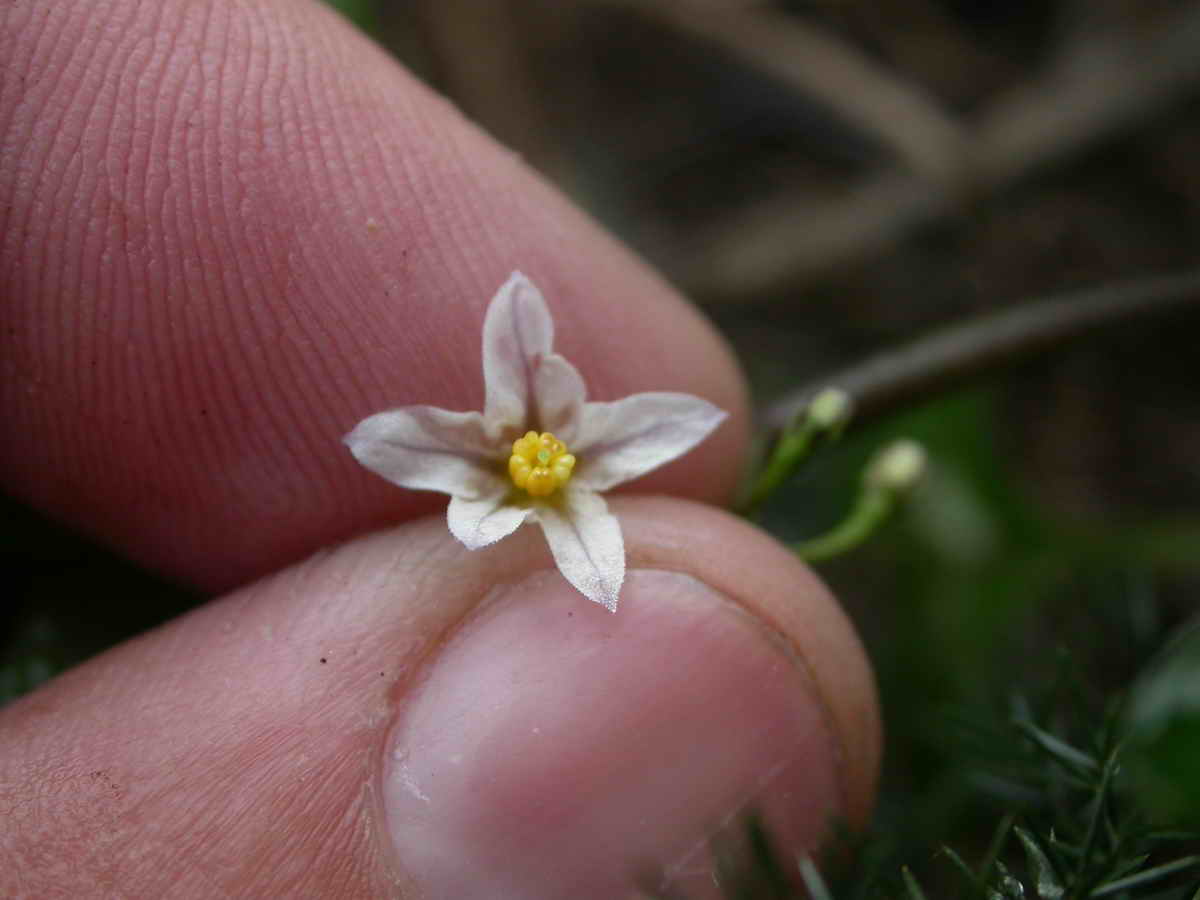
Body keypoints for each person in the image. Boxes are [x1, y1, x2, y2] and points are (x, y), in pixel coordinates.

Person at [0, 0, 879, 895]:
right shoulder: (491, 455)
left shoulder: (565, 466)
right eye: (538, 456)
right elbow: (425, 432)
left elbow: (615, 478)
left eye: (547, 458)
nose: (542, 460)